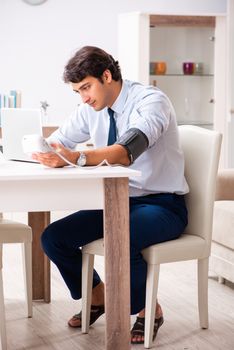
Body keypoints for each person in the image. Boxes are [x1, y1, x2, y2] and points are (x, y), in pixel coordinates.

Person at [33, 46, 189, 345]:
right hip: (116, 202)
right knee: (53, 238)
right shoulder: (90, 109)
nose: (84, 98)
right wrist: (42, 149)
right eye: (78, 92)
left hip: (163, 204)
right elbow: (59, 141)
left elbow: (128, 149)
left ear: (107, 76)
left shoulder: (150, 101)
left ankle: (148, 310)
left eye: (86, 88)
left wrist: (77, 157)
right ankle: (98, 296)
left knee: (122, 236)